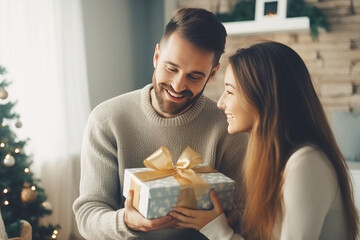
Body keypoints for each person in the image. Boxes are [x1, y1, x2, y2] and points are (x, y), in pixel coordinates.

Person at [72, 8, 248, 240]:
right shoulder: (107, 119)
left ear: (213, 73)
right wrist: (126, 221)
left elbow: (250, 214)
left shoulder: (228, 126)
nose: (177, 85)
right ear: (156, 56)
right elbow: (88, 215)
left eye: (194, 76)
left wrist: (229, 219)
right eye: (171, 68)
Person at [169, 41, 360, 240]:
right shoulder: (277, 159)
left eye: (230, 91)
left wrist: (218, 231)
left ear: (261, 97)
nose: (220, 103)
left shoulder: (306, 163)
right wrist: (235, 222)